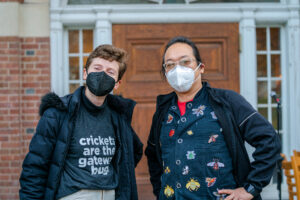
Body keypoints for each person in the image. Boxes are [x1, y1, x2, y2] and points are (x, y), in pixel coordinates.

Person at [145, 36, 281, 200]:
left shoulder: (227, 102)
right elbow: (153, 154)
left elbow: (269, 140)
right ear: (165, 72)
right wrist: (160, 191)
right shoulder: (163, 110)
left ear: (200, 67)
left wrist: (250, 188)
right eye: (170, 65)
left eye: (185, 62)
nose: (177, 69)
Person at [19, 44, 143, 200]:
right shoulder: (58, 114)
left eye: (110, 72)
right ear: (85, 73)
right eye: (97, 68)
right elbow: (35, 168)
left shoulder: (118, 117)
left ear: (117, 83)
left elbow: (134, 152)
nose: (102, 75)